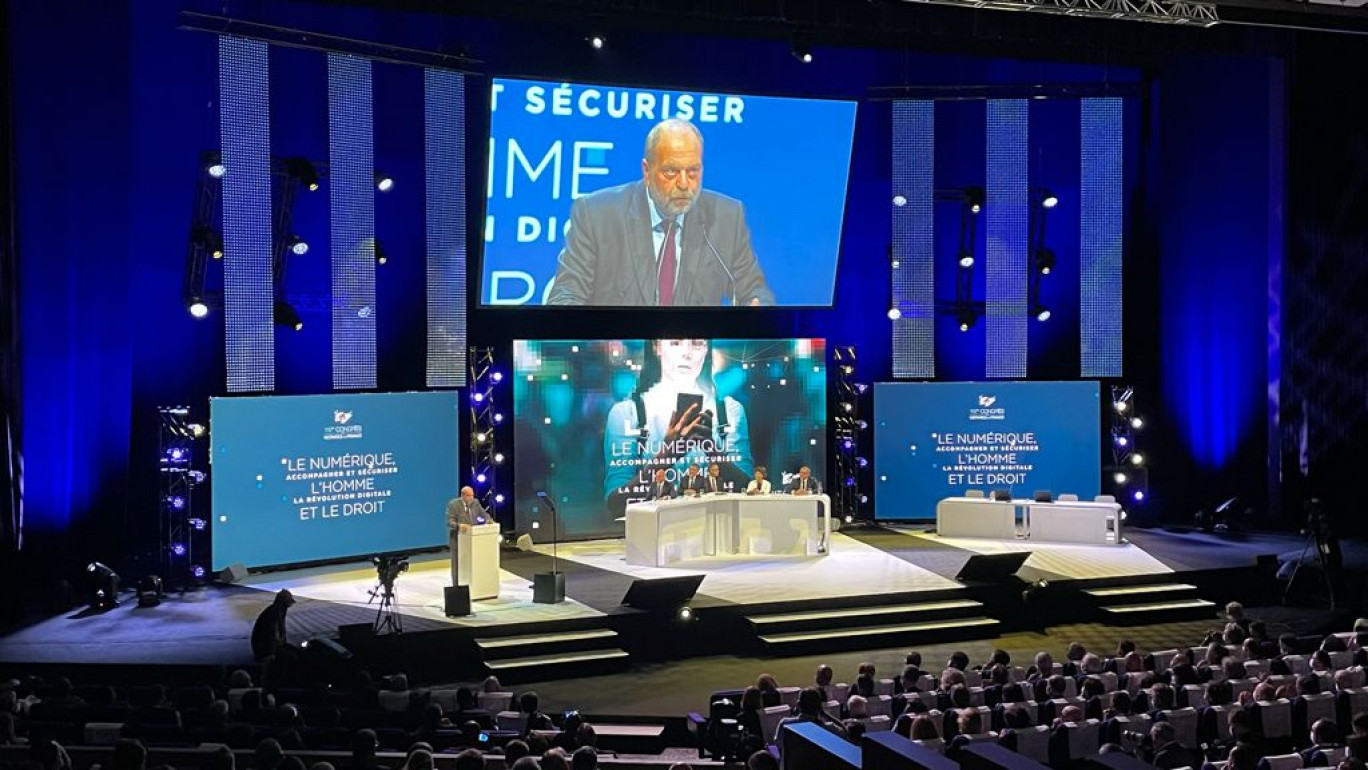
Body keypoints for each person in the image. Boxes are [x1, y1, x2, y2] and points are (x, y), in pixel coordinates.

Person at [547, 118, 774, 307]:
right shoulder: (597, 214)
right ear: (647, 170)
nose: (684, 184)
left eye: (693, 171)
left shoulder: (727, 216)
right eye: (671, 171)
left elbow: (754, 289)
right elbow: (566, 296)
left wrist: (757, 304)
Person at [603, 339, 753, 502]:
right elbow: (615, 502)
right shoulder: (627, 413)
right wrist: (668, 454)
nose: (686, 353)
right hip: (653, 525)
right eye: (675, 343)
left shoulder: (728, 411)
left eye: (696, 343)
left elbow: (749, 490)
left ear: (706, 350)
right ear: (657, 347)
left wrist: (710, 449)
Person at [446, 486, 484, 587]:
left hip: (473, 540)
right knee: (457, 565)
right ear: (463, 495)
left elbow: (484, 514)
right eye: (469, 496)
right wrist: (459, 526)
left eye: (472, 495)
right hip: (457, 539)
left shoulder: (475, 503)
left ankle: (473, 586)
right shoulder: (453, 505)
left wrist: (490, 521)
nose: (471, 498)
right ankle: (456, 587)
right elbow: (449, 522)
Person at [251, 589, 295, 661]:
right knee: (291, 657)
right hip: (264, 650)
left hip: (268, 646)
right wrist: (272, 654)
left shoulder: (278, 610)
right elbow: (273, 634)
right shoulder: (274, 612)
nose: (289, 605)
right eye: (288, 602)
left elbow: (280, 631)